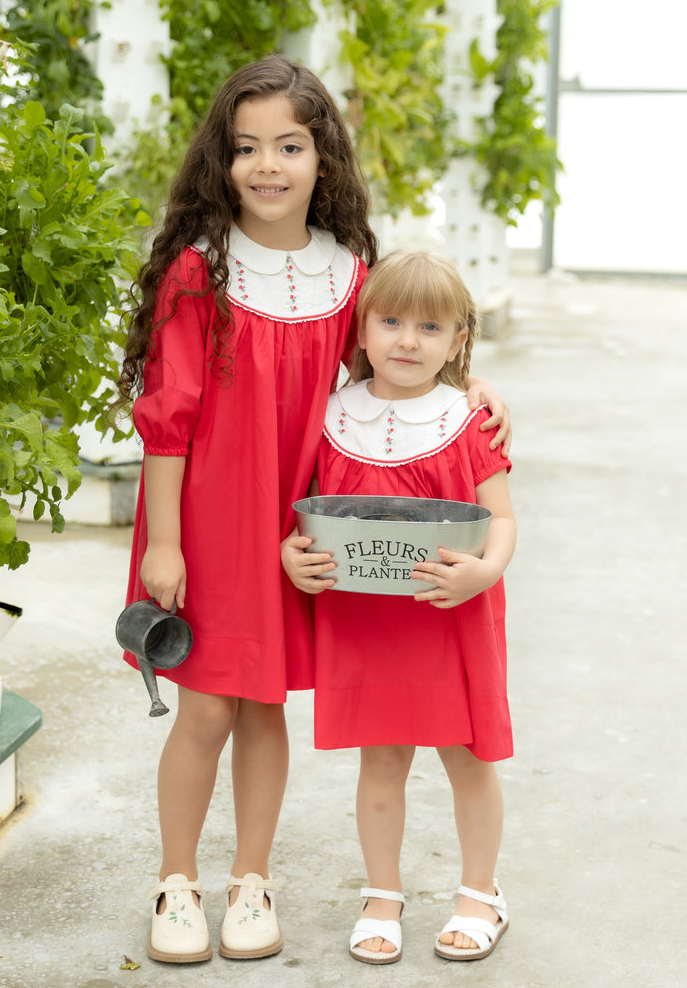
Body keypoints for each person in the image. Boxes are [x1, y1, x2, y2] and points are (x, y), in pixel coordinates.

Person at [116, 56, 512, 965]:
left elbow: (397, 361)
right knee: (207, 710)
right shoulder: (198, 271)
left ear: (322, 157)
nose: (268, 165)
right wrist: (164, 543)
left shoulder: (350, 271)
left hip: (303, 527)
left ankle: (252, 881)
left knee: (264, 708)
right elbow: (168, 420)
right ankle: (177, 883)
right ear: (221, 160)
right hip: (210, 523)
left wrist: (473, 385)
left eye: (289, 146)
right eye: (246, 147)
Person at [282, 250, 516, 966]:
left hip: (449, 612)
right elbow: (302, 512)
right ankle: (382, 895)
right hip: (367, 623)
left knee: (467, 756)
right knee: (381, 759)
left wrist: (486, 571)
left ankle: (481, 894)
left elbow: (502, 518)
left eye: (430, 327)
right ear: (361, 330)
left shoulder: (467, 420)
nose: (408, 341)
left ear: (458, 340)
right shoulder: (330, 416)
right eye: (390, 322)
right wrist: (291, 554)